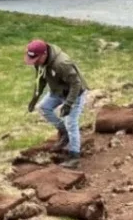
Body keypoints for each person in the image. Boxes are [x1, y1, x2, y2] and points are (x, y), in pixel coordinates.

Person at [25, 39, 89, 167]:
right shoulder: (40, 62)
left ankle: (74, 157)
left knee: (71, 122)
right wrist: (34, 99)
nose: (35, 63)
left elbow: (76, 84)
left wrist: (68, 104)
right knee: (43, 108)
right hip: (57, 92)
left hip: (74, 94)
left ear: (44, 54)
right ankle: (63, 132)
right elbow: (41, 81)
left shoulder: (62, 63)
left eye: (36, 60)